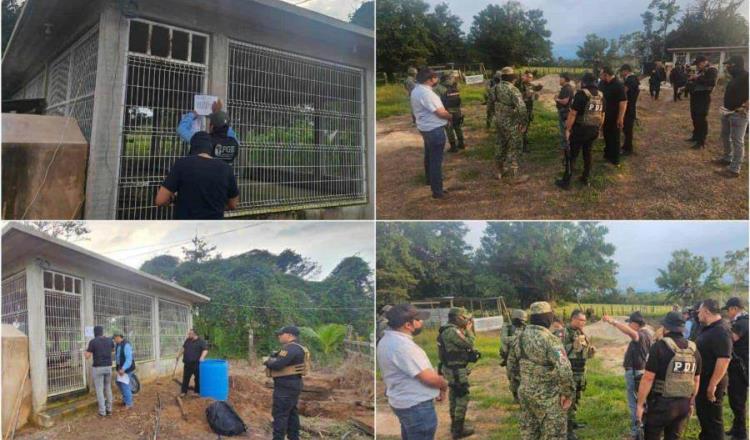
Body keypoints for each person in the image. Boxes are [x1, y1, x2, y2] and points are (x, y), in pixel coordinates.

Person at [155, 100, 240, 219]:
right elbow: (233, 204)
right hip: (219, 187)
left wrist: (193, 114)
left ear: (211, 127)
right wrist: (219, 114)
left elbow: (181, 129)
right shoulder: (235, 142)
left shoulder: (204, 141)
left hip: (196, 185)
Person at [377, 304, 448, 440]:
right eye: (419, 320)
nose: (422, 322)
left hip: (403, 403)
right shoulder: (404, 347)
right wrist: (444, 385)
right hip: (416, 407)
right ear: (408, 325)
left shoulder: (386, 340)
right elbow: (430, 379)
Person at [507, 301, 574, 440]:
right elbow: (565, 369)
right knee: (554, 434)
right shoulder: (550, 340)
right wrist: (567, 394)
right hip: (548, 397)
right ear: (548, 317)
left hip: (525, 394)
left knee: (530, 433)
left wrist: (515, 389)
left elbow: (511, 366)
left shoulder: (519, 337)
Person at [635, 312, 702, 440]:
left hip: (661, 405)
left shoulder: (659, 347)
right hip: (683, 404)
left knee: (652, 435)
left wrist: (640, 405)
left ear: (665, 327)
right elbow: (696, 380)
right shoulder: (694, 350)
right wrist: (691, 403)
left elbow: (648, 378)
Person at [602, 311, 653, 439]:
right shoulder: (648, 334)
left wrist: (612, 321)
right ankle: (643, 430)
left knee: (635, 404)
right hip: (639, 372)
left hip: (635, 373)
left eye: (630, 323)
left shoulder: (640, 334)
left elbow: (631, 333)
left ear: (635, 324)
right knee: (641, 403)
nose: (629, 326)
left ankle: (637, 433)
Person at [556, 71, 603, 189]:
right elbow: (602, 115)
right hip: (593, 129)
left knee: (572, 155)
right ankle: (585, 178)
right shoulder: (601, 95)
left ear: (584, 82)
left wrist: (567, 129)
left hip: (580, 130)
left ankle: (566, 182)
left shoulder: (581, 94)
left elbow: (572, 114)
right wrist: (599, 129)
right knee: (588, 154)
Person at [437, 308, 480, 438]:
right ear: (457, 318)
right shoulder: (452, 331)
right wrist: (469, 330)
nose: (467, 320)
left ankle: (455, 425)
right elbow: (469, 343)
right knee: (462, 396)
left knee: (454, 395)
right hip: (455, 370)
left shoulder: (447, 330)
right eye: (464, 318)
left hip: (452, 368)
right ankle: (458, 430)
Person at [411, 68, 453, 199]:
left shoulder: (416, 90)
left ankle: (429, 180)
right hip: (434, 129)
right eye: (435, 77)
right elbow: (440, 112)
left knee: (429, 156)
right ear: (429, 80)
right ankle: (437, 191)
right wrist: (450, 116)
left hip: (425, 128)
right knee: (436, 160)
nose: (437, 79)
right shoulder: (427, 94)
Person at [695, 299, 733, 440]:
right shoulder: (709, 328)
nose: (697, 315)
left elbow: (724, 359)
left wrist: (712, 385)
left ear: (706, 311)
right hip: (704, 379)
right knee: (704, 415)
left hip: (712, 381)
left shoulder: (721, 330)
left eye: (699, 312)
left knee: (713, 419)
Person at [264, 326, 311, 440]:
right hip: (294, 384)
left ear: (289, 335)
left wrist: (267, 361)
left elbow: (277, 365)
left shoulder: (290, 349)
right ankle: (294, 437)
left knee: (280, 415)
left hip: (285, 387)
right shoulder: (299, 348)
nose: (279, 336)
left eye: (281, 334)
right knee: (291, 413)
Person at [489, 66, 528, 184]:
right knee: (514, 146)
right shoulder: (513, 90)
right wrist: (523, 123)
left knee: (500, 144)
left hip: (499, 121)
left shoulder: (494, 88)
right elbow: (522, 108)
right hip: (511, 122)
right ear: (512, 78)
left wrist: (494, 116)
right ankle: (513, 176)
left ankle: (498, 171)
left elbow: (490, 105)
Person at [563, 310, 596, 440]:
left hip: (580, 372)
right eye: (581, 320)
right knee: (568, 400)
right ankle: (568, 430)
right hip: (569, 372)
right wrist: (572, 345)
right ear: (573, 319)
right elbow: (557, 350)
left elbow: (584, 352)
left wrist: (591, 352)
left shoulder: (582, 333)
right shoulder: (563, 332)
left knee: (576, 398)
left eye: (584, 320)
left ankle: (572, 422)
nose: (584, 322)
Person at [715, 55, 749, 178]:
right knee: (725, 136)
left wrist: (745, 106)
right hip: (727, 112)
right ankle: (727, 158)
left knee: (737, 141)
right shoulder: (734, 77)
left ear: (736, 64)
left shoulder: (746, 76)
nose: (727, 67)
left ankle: (735, 169)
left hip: (738, 114)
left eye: (729, 65)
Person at [722, 297, 748, 440]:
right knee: (735, 399)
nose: (728, 313)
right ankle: (737, 428)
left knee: (738, 401)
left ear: (735, 309)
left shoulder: (742, 322)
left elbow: (732, 338)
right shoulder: (740, 322)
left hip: (740, 368)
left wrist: (723, 327)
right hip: (738, 367)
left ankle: (742, 433)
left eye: (729, 310)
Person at [686, 56, 718, 149]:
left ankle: (701, 141)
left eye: (698, 64)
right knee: (694, 117)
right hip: (695, 97)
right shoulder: (700, 71)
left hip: (703, 97)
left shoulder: (712, 70)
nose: (697, 66)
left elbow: (711, 82)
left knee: (701, 119)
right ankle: (695, 136)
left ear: (704, 62)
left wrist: (696, 78)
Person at [599, 66, 627, 166]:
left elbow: (623, 102)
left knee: (614, 137)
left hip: (614, 115)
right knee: (606, 135)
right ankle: (607, 155)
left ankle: (615, 160)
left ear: (606, 74)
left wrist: (620, 118)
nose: (600, 75)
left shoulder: (618, 85)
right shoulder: (602, 83)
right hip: (604, 115)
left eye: (601, 74)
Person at [85, 325, 115, 417]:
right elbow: (113, 350)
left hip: (98, 368)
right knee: (108, 388)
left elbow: (87, 356)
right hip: (108, 367)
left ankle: (102, 412)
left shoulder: (93, 342)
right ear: (102, 332)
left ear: (95, 333)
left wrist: (85, 352)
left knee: (99, 390)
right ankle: (109, 409)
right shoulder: (110, 340)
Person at [434, 71, 465, 152]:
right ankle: (461, 144)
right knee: (458, 126)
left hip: (447, 110)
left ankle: (453, 147)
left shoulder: (438, 87)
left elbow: (436, 100)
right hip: (457, 109)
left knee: (449, 128)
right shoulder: (456, 85)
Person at [500, 309, 527, 402]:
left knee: (518, 379)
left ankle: (520, 398)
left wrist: (505, 325)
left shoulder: (523, 330)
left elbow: (505, 340)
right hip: (513, 358)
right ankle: (516, 397)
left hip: (519, 359)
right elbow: (504, 342)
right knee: (513, 378)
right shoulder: (510, 327)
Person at [516, 71, 543, 152]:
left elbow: (535, 89)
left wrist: (540, 87)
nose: (530, 78)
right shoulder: (521, 85)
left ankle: (524, 139)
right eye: (529, 77)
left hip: (529, 108)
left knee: (527, 125)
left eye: (531, 77)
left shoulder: (530, 85)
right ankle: (522, 146)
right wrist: (527, 94)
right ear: (526, 77)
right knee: (523, 126)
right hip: (523, 108)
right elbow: (519, 95)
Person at [177, 328, 208, 397]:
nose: (188, 334)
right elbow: (183, 348)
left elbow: (205, 350)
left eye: (190, 333)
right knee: (185, 378)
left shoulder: (201, 341)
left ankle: (197, 392)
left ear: (194, 334)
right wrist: (178, 355)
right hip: (187, 363)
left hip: (196, 364)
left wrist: (202, 357)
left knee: (197, 378)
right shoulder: (188, 340)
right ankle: (183, 392)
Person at [620, 65, 640, 156]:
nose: (621, 73)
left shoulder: (630, 80)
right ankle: (626, 146)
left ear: (626, 71)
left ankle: (628, 149)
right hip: (631, 106)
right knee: (627, 128)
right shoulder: (634, 79)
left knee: (628, 129)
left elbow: (624, 91)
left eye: (622, 71)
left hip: (628, 107)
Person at [113, 331, 136, 410]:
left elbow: (129, 359)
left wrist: (123, 368)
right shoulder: (118, 345)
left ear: (118, 337)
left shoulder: (126, 345)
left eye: (114, 338)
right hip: (121, 368)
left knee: (124, 385)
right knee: (118, 382)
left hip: (126, 369)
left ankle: (129, 403)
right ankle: (126, 399)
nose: (114, 340)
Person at [554, 73, 575, 151]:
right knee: (564, 129)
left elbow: (565, 101)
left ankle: (566, 147)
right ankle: (566, 146)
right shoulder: (565, 88)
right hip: (564, 111)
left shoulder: (567, 88)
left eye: (561, 78)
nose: (559, 80)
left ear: (565, 79)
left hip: (565, 112)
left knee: (565, 129)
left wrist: (557, 99)